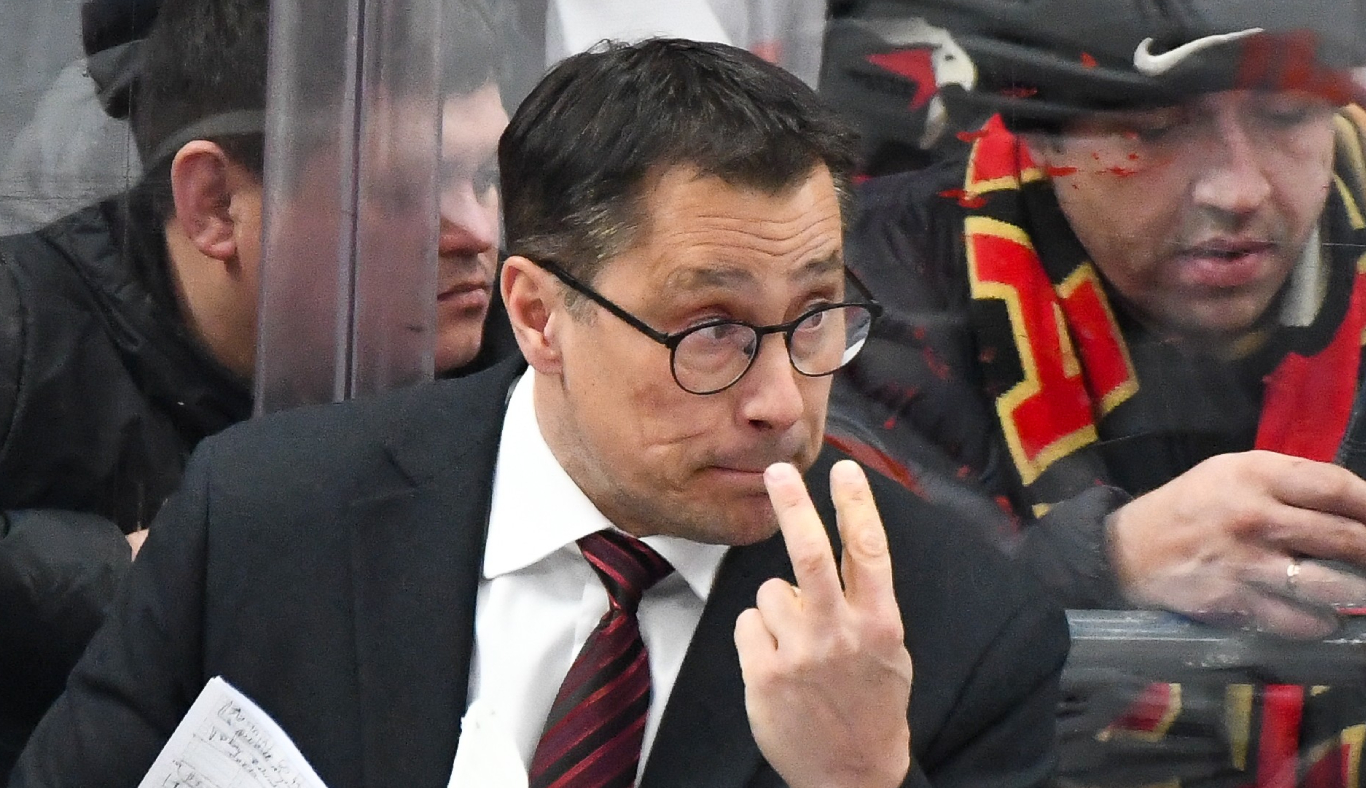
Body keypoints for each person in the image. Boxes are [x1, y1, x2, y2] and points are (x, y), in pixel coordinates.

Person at [9, 38, 1068, 788]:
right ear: (537, 314)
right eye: (710, 330)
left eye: (814, 320)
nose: (780, 402)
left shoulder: (958, 631)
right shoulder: (268, 517)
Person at [823, 0, 1366, 784]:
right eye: (1154, 128)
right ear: (1039, 133)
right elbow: (801, 654)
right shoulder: (857, 305)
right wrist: (1109, 564)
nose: (1238, 188)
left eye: (1288, 114)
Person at [0, 0, 509, 777]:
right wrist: (154, 571)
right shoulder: (25, 330)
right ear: (215, 205)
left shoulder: (522, 352)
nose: (478, 233)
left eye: (487, 177)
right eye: (402, 189)